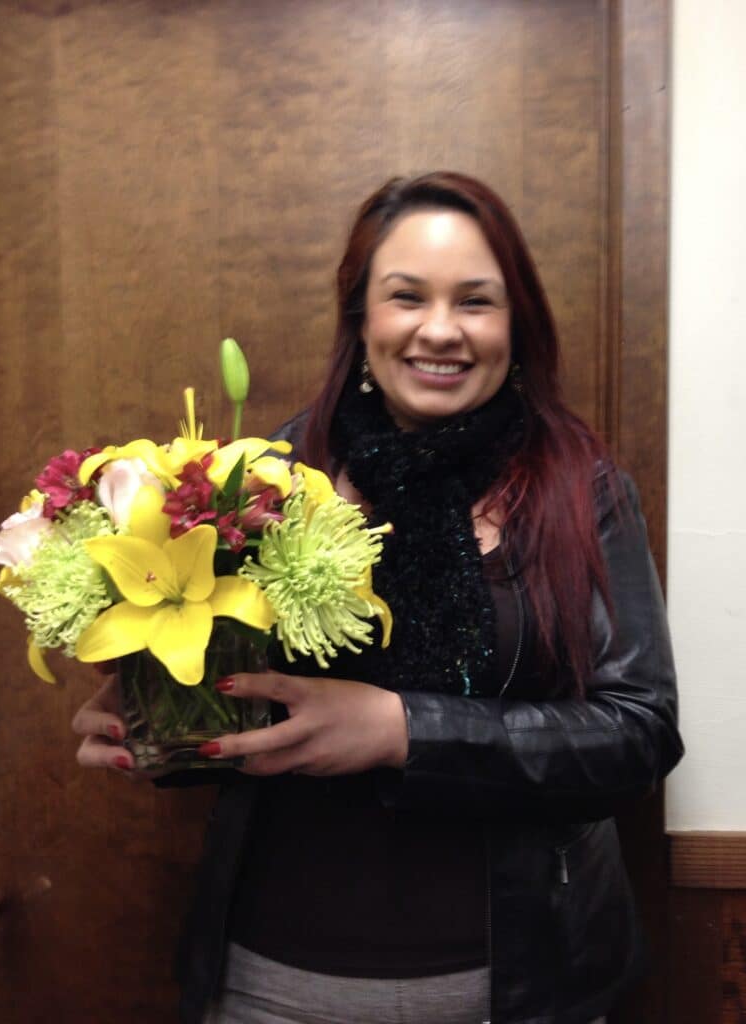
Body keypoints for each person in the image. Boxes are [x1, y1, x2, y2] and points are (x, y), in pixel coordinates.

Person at [73, 171, 683, 1024]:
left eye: (475, 301)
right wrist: (158, 711)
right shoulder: (262, 478)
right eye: (406, 298)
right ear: (361, 318)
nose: (439, 329)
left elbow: (636, 734)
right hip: (270, 983)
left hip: (519, 988)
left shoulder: (580, 491)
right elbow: (242, 713)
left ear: (517, 326)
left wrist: (400, 730)